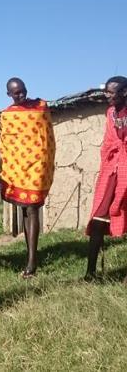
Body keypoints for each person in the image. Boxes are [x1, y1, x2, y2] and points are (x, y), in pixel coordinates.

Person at [0, 77, 55, 278]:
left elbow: (48, 136)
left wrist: (45, 160)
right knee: (24, 209)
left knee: (32, 208)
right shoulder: (7, 115)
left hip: (38, 165)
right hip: (18, 168)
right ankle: (30, 254)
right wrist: (3, 173)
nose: (21, 95)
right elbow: (5, 145)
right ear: (9, 94)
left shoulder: (41, 107)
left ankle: (32, 262)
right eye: (16, 93)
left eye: (23, 91)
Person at [85, 76, 127, 280]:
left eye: (111, 92)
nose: (107, 96)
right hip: (112, 168)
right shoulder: (110, 113)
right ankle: (90, 272)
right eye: (106, 92)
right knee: (99, 217)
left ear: (124, 92)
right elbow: (109, 141)